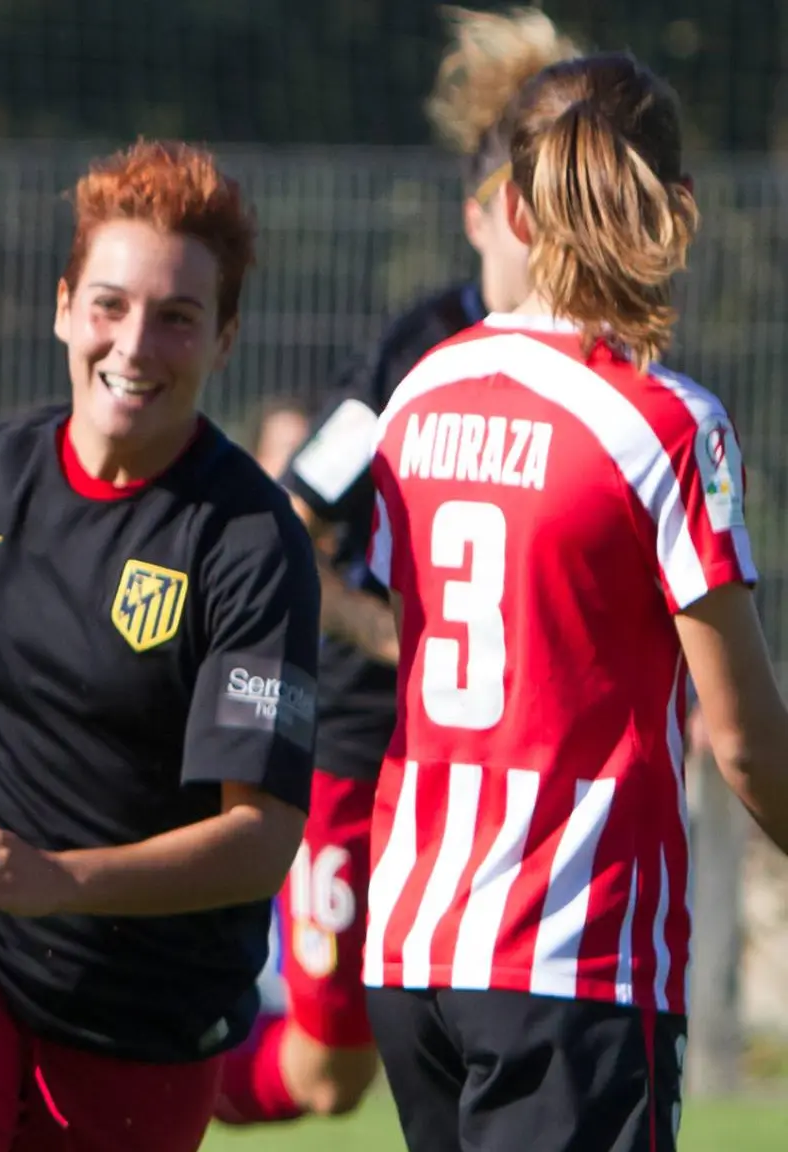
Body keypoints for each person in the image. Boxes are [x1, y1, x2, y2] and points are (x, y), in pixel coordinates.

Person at [0, 140, 319, 1152]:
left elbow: (259, 841)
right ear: (61, 308)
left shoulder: (248, 544)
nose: (133, 343)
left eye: (176, 318)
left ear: (222, 339)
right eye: (108, 304)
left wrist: (57, 877)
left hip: (142, 1016)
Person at [363, 52, 788, 1152]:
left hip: (412, 951)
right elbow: (740, 742)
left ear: (511, 205)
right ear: (675, 211)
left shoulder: (418, 395)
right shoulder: (664, 424)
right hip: (572, 960)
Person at [213, 5, 581, 1126]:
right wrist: (395, 641)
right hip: (367, 743)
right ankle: (159, 1068)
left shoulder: (609, 364)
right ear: (492, 212)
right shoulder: (411, 356)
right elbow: (288, 519)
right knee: (329, 1071)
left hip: (515, 774)